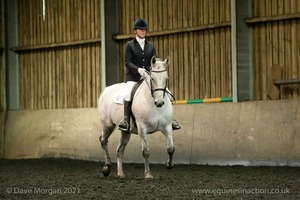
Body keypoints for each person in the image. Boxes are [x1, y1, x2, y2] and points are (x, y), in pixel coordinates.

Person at [118, 18, 181, 133]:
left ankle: (169, 120)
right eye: (140, 30)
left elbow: (155, 61)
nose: (143, 32)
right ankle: (126, 121)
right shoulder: (130, 45)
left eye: (144, 30)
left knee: (168, 93)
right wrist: (138, 70)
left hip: (148, 77)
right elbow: (127, 62)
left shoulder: (150, 46)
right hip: (134, 78)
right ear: (135, 31)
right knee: (127, 94)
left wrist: (159, 66)